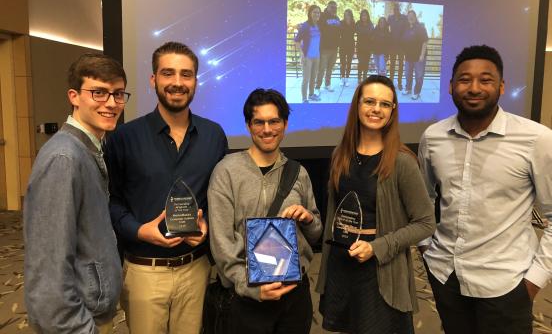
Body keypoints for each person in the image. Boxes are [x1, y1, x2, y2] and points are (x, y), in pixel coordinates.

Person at [418, 45, 552, 334]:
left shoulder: (537, 139)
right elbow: (424, 200)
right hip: (446, 275)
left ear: (501, 87)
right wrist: (426, 251)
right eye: (464, 80)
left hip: (506, 283)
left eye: (486, 79)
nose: (474, 88)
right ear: (451, 87)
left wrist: (533, 281)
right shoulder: (433, 137)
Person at [105, 42, 228, 334]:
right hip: (144, 271)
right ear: (153, 80)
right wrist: (137, 229)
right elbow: (110, 200)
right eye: (168, 73)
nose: (177, 82)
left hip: (196, 269)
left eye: (186, 75)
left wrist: (208, 225)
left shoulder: (214, 135)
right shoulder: (124, 137)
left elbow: (221, 198)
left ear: (195, 81)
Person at [316, 75, 435, 334]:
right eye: (369, 101)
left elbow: (426, 224)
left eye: (385, 104)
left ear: (393, 112)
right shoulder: (341, 155)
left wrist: (376, 247)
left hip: (379, 271)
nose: (376, 109)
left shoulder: (402, 162)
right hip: (342, 264)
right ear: (357, 105)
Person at [24, 53, 128, 333]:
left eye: (118, 94)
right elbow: (48, 265)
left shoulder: (89, 149)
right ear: (74, 96)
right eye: (99, 92)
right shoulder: (64, 158)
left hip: (91, 312)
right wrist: (75, 327)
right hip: (76, 323)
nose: (111, 103)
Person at [208, 88, 323, 334]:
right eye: (259, 122)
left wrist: (308, 218)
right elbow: (221, 240)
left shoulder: (298, 172)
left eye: (274, 121)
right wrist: (248, 286)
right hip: (247, 296)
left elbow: (315, 234)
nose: (267, 129)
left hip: (294, 294)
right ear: (249, 125)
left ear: (285, 124)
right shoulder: (226, 171)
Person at [294, 4, 322, 103]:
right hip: (307, 57)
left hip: (316, 56)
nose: (317, 14)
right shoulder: (305, 26)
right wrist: (301, 55)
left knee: (313, 78)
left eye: (318, 12)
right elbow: (297, 41)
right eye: (314, 12)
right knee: (306, 79)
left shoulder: (318, 25)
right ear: (310, 13)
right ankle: (304, 99)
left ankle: (311, 95)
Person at [316, 0, 341, 95]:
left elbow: (339, 32)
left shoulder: (337, 18)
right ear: (327, 7)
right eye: (332, 7)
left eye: (335, 7)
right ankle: (317, 87)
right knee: (321, 69)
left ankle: (327, 84)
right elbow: (313, 22)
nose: (334, 9)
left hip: (334, 48)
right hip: (324, 48)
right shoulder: (322, 16)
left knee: (330, 68)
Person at [402, 10, 428, 100]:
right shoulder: (407, 28)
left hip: (419, 57)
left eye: (412, 15)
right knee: (408, 74)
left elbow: (425, 41)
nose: (410, 17)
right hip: (409, 57)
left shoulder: (420, 27)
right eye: (409, 16)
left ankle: (416, 92)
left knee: (419, 75)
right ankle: (408, 89)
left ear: (415, 17)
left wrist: (422, 55)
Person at [387, 3, 408, 91]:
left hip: (401, 46)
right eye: (394, 8)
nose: (396, 10)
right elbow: (386, 28)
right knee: (392, 64)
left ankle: (399, 83)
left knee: (400, 65)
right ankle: (391, 82)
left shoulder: (404, 18)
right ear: (393, 9)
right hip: (392, 45)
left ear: (399, 9)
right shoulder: (390, 18)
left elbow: (407, 29)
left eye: (397, 8)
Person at [356, 9, 374, 83]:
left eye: (365, 15)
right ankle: (359, 78)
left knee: (366, 63)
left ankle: (364, 78)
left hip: (368, 47)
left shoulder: (371, 24)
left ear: (367, 16)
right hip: (360, 46)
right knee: (361, 62)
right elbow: (356, 31)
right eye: (362, 15)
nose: (364, 17)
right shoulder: (358, 23)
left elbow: (372, 35)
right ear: (361, 16)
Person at [339, 9, 356, 87]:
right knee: (342, 63)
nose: (347, 16)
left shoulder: (353, 23)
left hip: (351, 45)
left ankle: (347, 79)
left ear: (351, 15)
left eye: (348, 14)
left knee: (349, 63)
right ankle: (342, 79)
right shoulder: (341, 22)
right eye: (345, 14)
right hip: (342, 45)